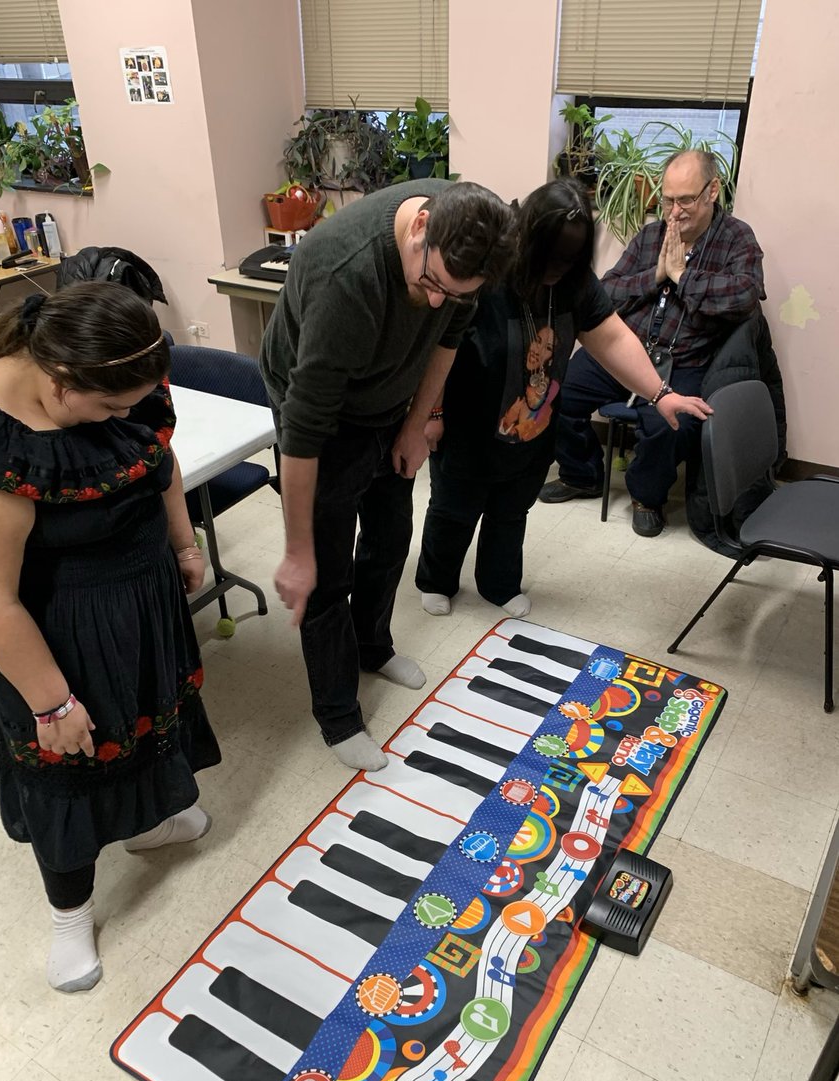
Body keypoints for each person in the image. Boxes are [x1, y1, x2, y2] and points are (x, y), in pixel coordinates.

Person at [0, 283, 221, 993]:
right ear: (63, 387)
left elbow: (160, 460)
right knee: (66, 764)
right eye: (111, 407)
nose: (128, 415)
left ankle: (144, 822)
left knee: (143, 725)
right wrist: (50, 704)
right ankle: (71, 912)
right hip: (42, 634)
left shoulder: (118, 380)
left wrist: (185, 546)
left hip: (134, 598)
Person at [260, 179, 515, 772]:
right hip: (321, 410)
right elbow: (303, 428)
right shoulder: (345, 274)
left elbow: (448, 337)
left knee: (391, 533)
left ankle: (374, 647)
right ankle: (338, 715)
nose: (433, 301)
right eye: (430, 284)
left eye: (451, 293)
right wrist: (296, 550)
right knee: (325, 568)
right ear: (420, 226)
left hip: (389, 402)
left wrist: (415, 423)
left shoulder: (468, 245)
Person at [415, 178, 713, 616]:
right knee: (454, 508)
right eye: (550, 261)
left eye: (568, 262)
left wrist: (659, 393)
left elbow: (610, 337)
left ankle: (498, 585)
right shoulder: (487, 270)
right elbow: (438, 344)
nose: (556, 272)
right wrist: (432, 412)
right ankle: (436, 579)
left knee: (512, 512)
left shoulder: (575, 281)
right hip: (468, 425)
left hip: (532, 428)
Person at [539, 149, 766, 536]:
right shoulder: (650, 235)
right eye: (667, 199)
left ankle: (647, 496)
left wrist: (683, 277)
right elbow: (606, 291)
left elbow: (745, 294)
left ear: (713, 191)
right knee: (555, 390)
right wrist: (657, 274)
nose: (674, 212)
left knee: (670, 422)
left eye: (685, 200)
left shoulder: (737, 238)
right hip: (628, 349)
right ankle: (582, 474)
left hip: (685, 361)